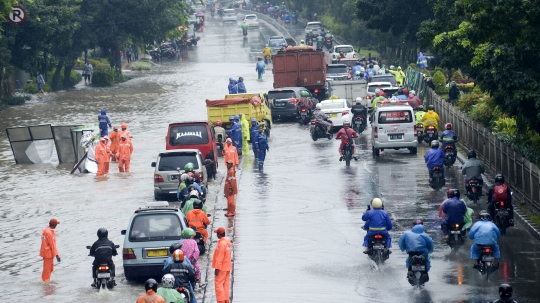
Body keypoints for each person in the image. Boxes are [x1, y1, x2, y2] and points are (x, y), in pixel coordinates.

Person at [212, 227, 233, 303]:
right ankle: (226, 300)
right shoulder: (227, 242)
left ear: (219, 234)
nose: (216, 235)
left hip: (221, 268)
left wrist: (217, 268)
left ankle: (221, 301)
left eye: (217, 233)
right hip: (227, 267)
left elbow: (220, 257)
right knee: (226, 285)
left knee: (219, 285)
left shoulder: (221, 244)